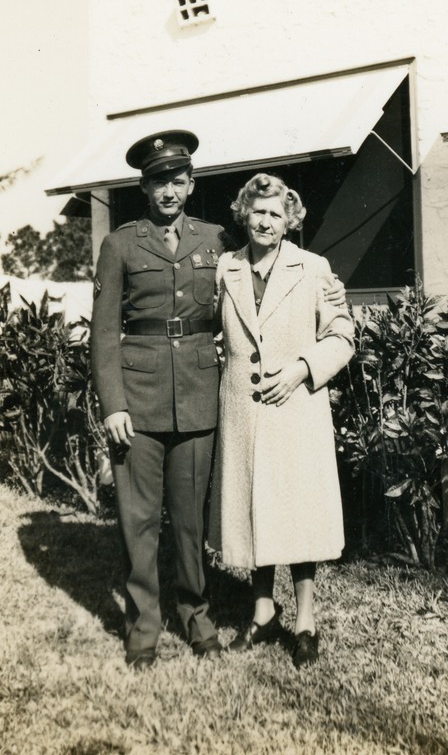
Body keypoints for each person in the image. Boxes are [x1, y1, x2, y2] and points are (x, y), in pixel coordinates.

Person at [91, 131, 345, 670]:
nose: (169, 190)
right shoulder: (121, 244)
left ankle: (196, 615)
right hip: (139, 397)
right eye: (158, 180)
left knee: (188, 520)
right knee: (138, 519)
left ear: (190, 185)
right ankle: (143, 627)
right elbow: (104, 331)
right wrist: (112, 403)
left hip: (201, 398)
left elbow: (297, 305)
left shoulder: (214, 244)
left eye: (178, 180)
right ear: (143, 185)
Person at [209, 173, 354, 668]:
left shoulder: (313, 270)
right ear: (243, 215)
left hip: (295, 408)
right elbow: (214, 327)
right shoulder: (226, 269)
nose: (265, 221)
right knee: (255, 509)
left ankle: (307, 621)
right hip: (244, 412)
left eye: (275, 213)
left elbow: (341, 336)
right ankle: (263, 611)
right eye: (257, 211)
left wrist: (301, 370)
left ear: (289, 219)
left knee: (297, 514)